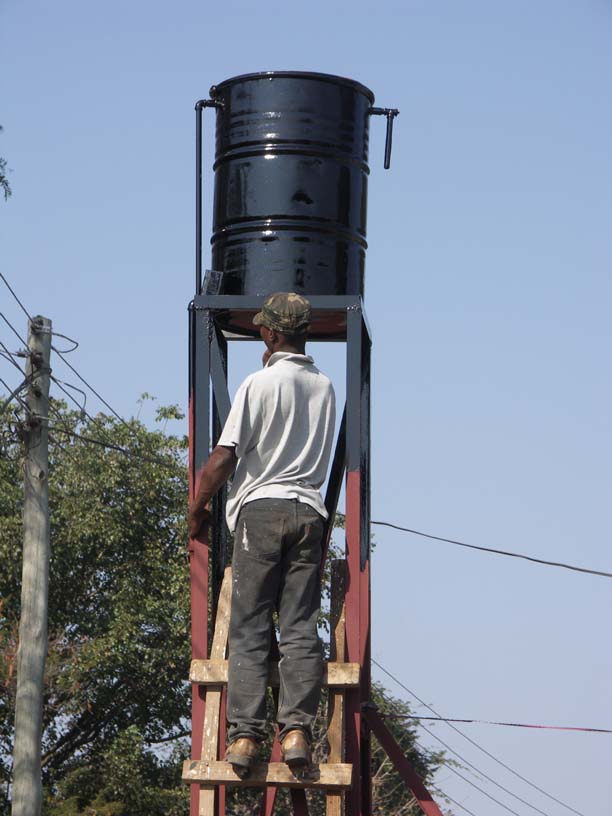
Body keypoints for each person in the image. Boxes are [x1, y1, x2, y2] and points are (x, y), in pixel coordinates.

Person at [188, 292, 336, 777]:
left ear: (272, 334)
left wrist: (197, 506)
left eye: (262, 332)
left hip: (262, 511)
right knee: (298, 627)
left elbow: (224, 457)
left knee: (250, 627)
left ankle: (246, 738)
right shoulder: (326, 387)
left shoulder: (258, 383)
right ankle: (295, 731)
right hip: (309, 514)